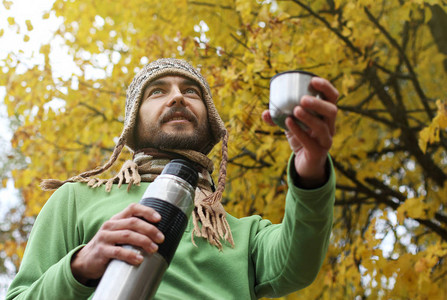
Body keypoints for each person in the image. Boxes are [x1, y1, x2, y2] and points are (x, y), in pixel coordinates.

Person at [6, 58, 338, 299]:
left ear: (210, 124)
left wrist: (311, 168)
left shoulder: (242, 233)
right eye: (157, 91)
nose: (177, 97)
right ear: (133, 123)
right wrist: (79, 266)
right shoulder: (76, 199)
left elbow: (299, 264)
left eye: (191, 91)